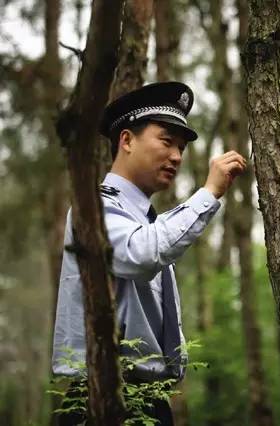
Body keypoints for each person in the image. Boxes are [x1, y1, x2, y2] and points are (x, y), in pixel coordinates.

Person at [52, 81, 246, 425]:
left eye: (182, 148)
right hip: (102, 397)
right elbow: (141, 255)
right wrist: (209, 192)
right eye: (166, 141)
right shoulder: (96, 206)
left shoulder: (143, 220)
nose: (176, 156)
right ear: (126, 140)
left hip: (148, 400)